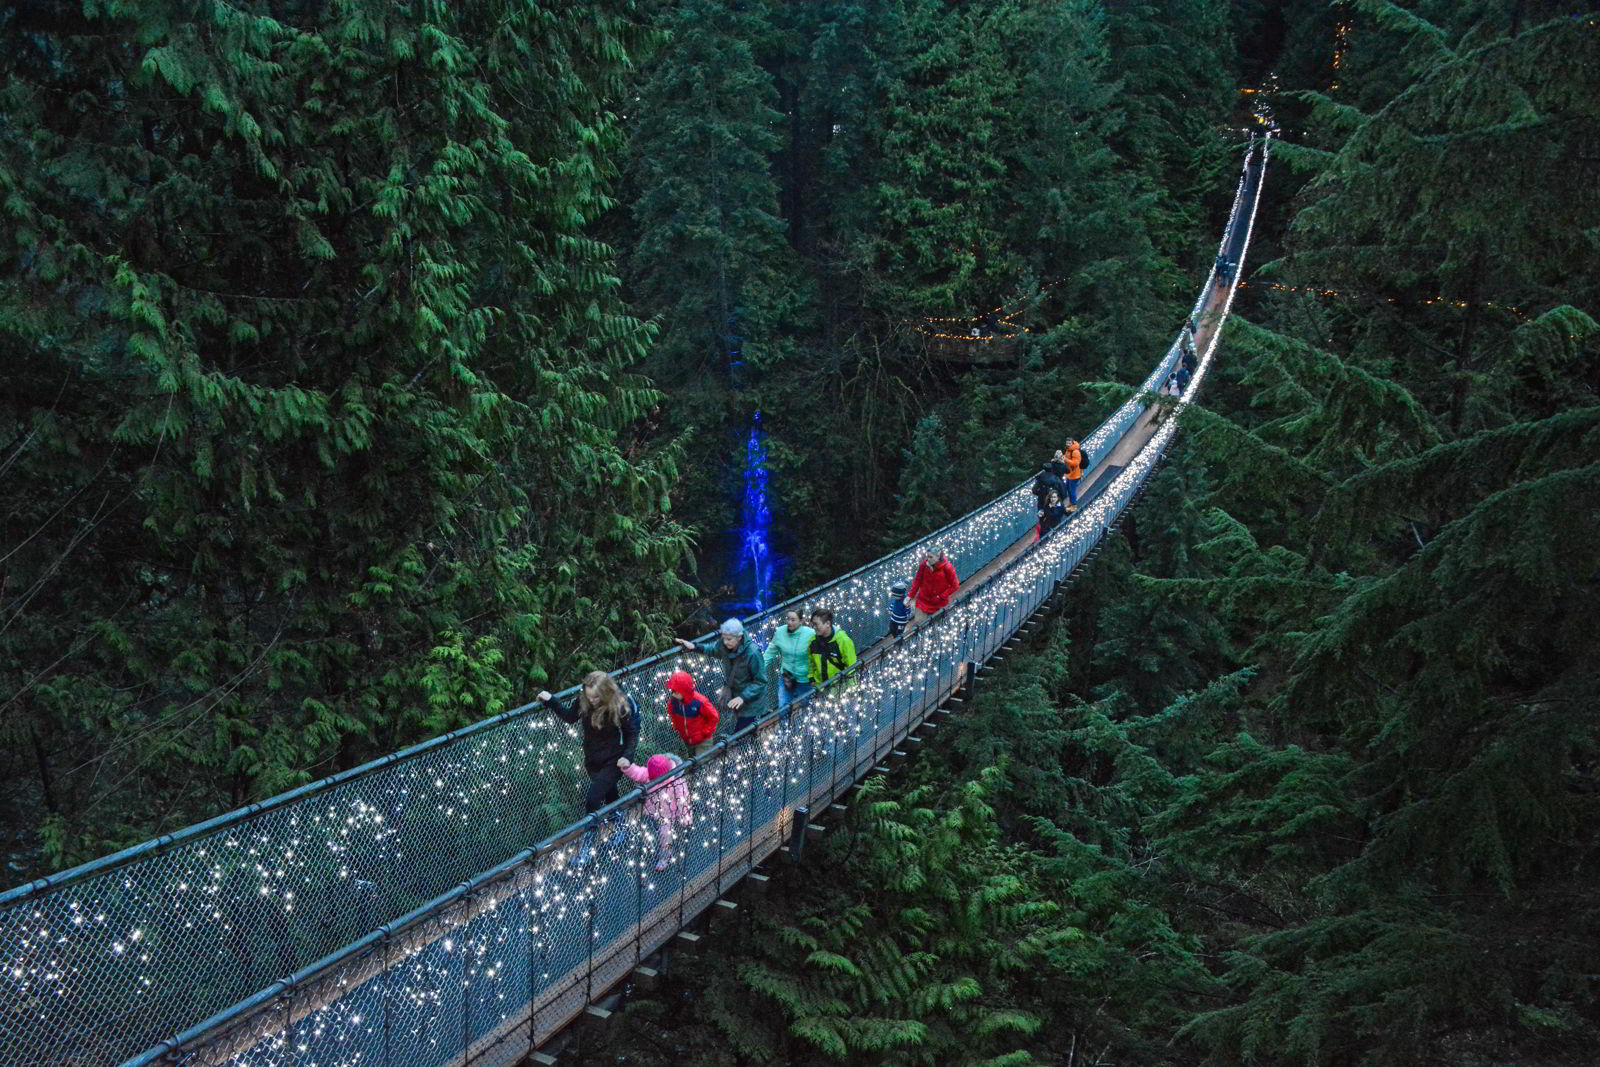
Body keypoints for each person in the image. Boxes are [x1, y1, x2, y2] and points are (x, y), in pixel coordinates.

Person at [537, 671, 641, 817]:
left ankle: (590, 835)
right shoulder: (584, 701)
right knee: (610, 793)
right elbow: (570, 717)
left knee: (593, 798)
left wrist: (627, 756)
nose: (592, 700)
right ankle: (619, 824)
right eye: (589, 696)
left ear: (606, 692)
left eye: (596, 697)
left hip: (614, 760)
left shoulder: (620, 704)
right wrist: (550, 700)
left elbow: (632, 733)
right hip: (592, 759)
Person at [675, 618, 767, 733]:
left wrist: (743, 697)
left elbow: (760, 681)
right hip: (736, 697)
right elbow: (712, 649)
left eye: (729, 639)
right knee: (746, 730)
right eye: (723, 638)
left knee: (741, 734)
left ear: (739, 637)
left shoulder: (753, 653)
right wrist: (694, 646)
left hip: (751, 701)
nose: (725, 642)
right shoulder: (725, 646)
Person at [617, 753, 693, 871]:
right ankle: (651, 847)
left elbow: (683, 800)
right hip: (652, 810)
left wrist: (686, 817)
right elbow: (637, 772)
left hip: (668, 814)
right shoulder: (649, 773)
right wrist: (628, 767)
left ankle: (664, 858)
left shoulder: (677, 781)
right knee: (651, 831)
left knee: (665, 835)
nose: (651, 779)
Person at [763, 609, 816, 713]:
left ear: (801, 621)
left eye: (793, 620)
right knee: (783, 708)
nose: (789, 622)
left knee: (807, 708)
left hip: (805, 678)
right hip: (787, 677)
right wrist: (758, 668)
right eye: (788, 619)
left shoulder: (811, 634)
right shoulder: (780, 632)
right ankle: (784, 726)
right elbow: (770, 653)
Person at [665, 669, 719, 757]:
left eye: (676, 691)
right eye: (672, 691)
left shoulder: (700, 701)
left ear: (684, 691)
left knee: (701, 764)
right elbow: (673, 714)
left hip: (703, 741)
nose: (673, 694)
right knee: (692, 763)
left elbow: (714, 717)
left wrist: (704, 733)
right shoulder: (674, 702)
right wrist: (677, 727)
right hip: (688, 740)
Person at [905, 547, 959, 630]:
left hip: (939, 604)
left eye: (930, 557)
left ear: (938, 557)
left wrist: (942, 596)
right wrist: (910, 596)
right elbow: (917, 581)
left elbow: (955, 585)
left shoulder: (947, 568)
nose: (928, 559)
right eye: (927, 556)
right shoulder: (924, 566)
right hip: (922, 602)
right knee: (919, 626)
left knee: (937, 627)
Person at [808, 609, 857, 686]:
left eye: (816, 624)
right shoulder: (812, 641)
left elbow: (851, 667)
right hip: (819, 687)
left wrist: (852, 688)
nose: (814, 627)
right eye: (812, 625)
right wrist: (812, 680)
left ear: (827, 623)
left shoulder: (843, 641)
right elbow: (810, 663)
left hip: (838, 685)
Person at [1062, 439, 1090, 511]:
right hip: (1069, 474)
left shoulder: (1075, 452)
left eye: (1069, 443)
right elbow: (1065, 458)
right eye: (1067, 443)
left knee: (1072, 490)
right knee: (1068, 489)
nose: (1067, 444)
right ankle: (1071, 504)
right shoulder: (1068, 450)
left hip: (1075, 475)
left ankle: (1074, 506)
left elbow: (1076, 463)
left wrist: (1066, 460)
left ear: (1072, 443)